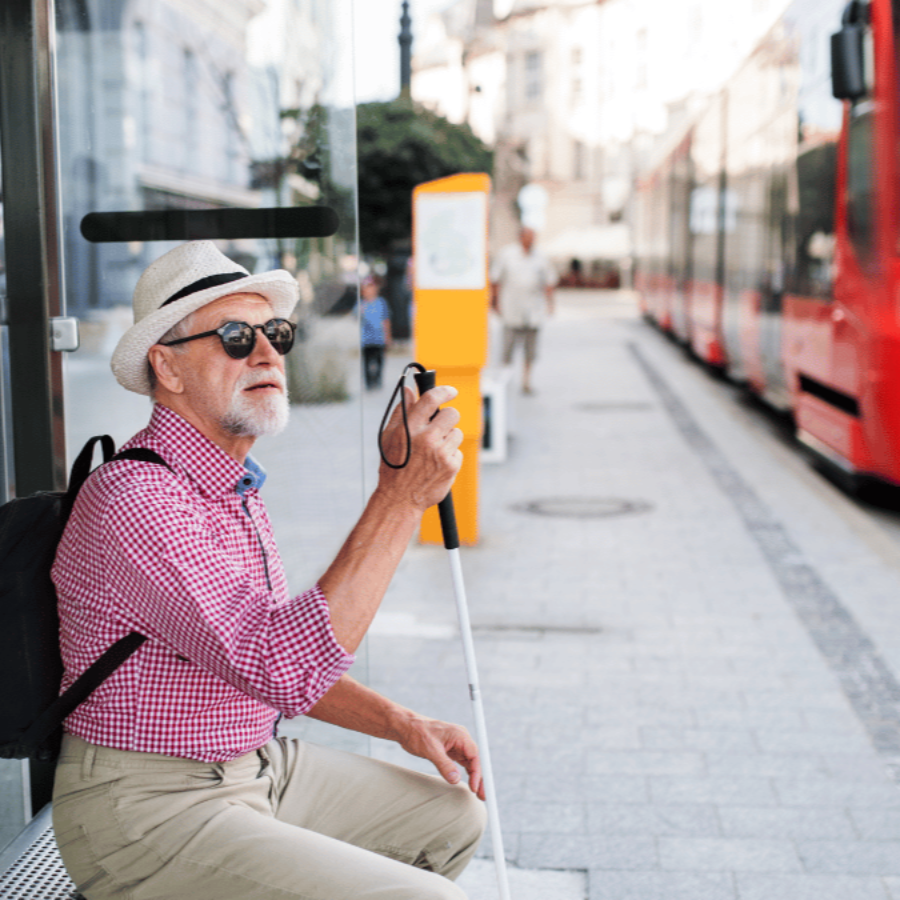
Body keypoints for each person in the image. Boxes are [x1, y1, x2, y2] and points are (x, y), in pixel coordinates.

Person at [50, 241, 486, 900]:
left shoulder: (230, 487)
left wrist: (402, 723)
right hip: (144, 808)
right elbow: (283, 665)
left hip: (255, 768)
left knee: (454, 818)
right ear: (165, 367)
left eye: (275, 333)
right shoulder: (138, 500)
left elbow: (273, 661)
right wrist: (400, 497)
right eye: (233, 336)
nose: (267, 353)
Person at [490, 225, 557, 394]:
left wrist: (550, 304)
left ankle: (526, 382)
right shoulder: (507, 254)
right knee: (508, 349)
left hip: (533, 310)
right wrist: (495, 302)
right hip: (511, 308)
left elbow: (549, 282)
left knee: (530, 351)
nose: (531, 240)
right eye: (529, 236)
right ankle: (505, 382)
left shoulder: (541, 256)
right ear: (521, 237)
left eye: (533, 237)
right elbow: (496, 279)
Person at [360, 275, 391, 389]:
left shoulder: (381, 303)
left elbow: (386, 320)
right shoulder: (362, 304)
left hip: (379, 338)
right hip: (366, 340)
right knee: (367, 363)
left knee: (379, 362)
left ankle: (378, 381)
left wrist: (388, 337)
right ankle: (369, 383)